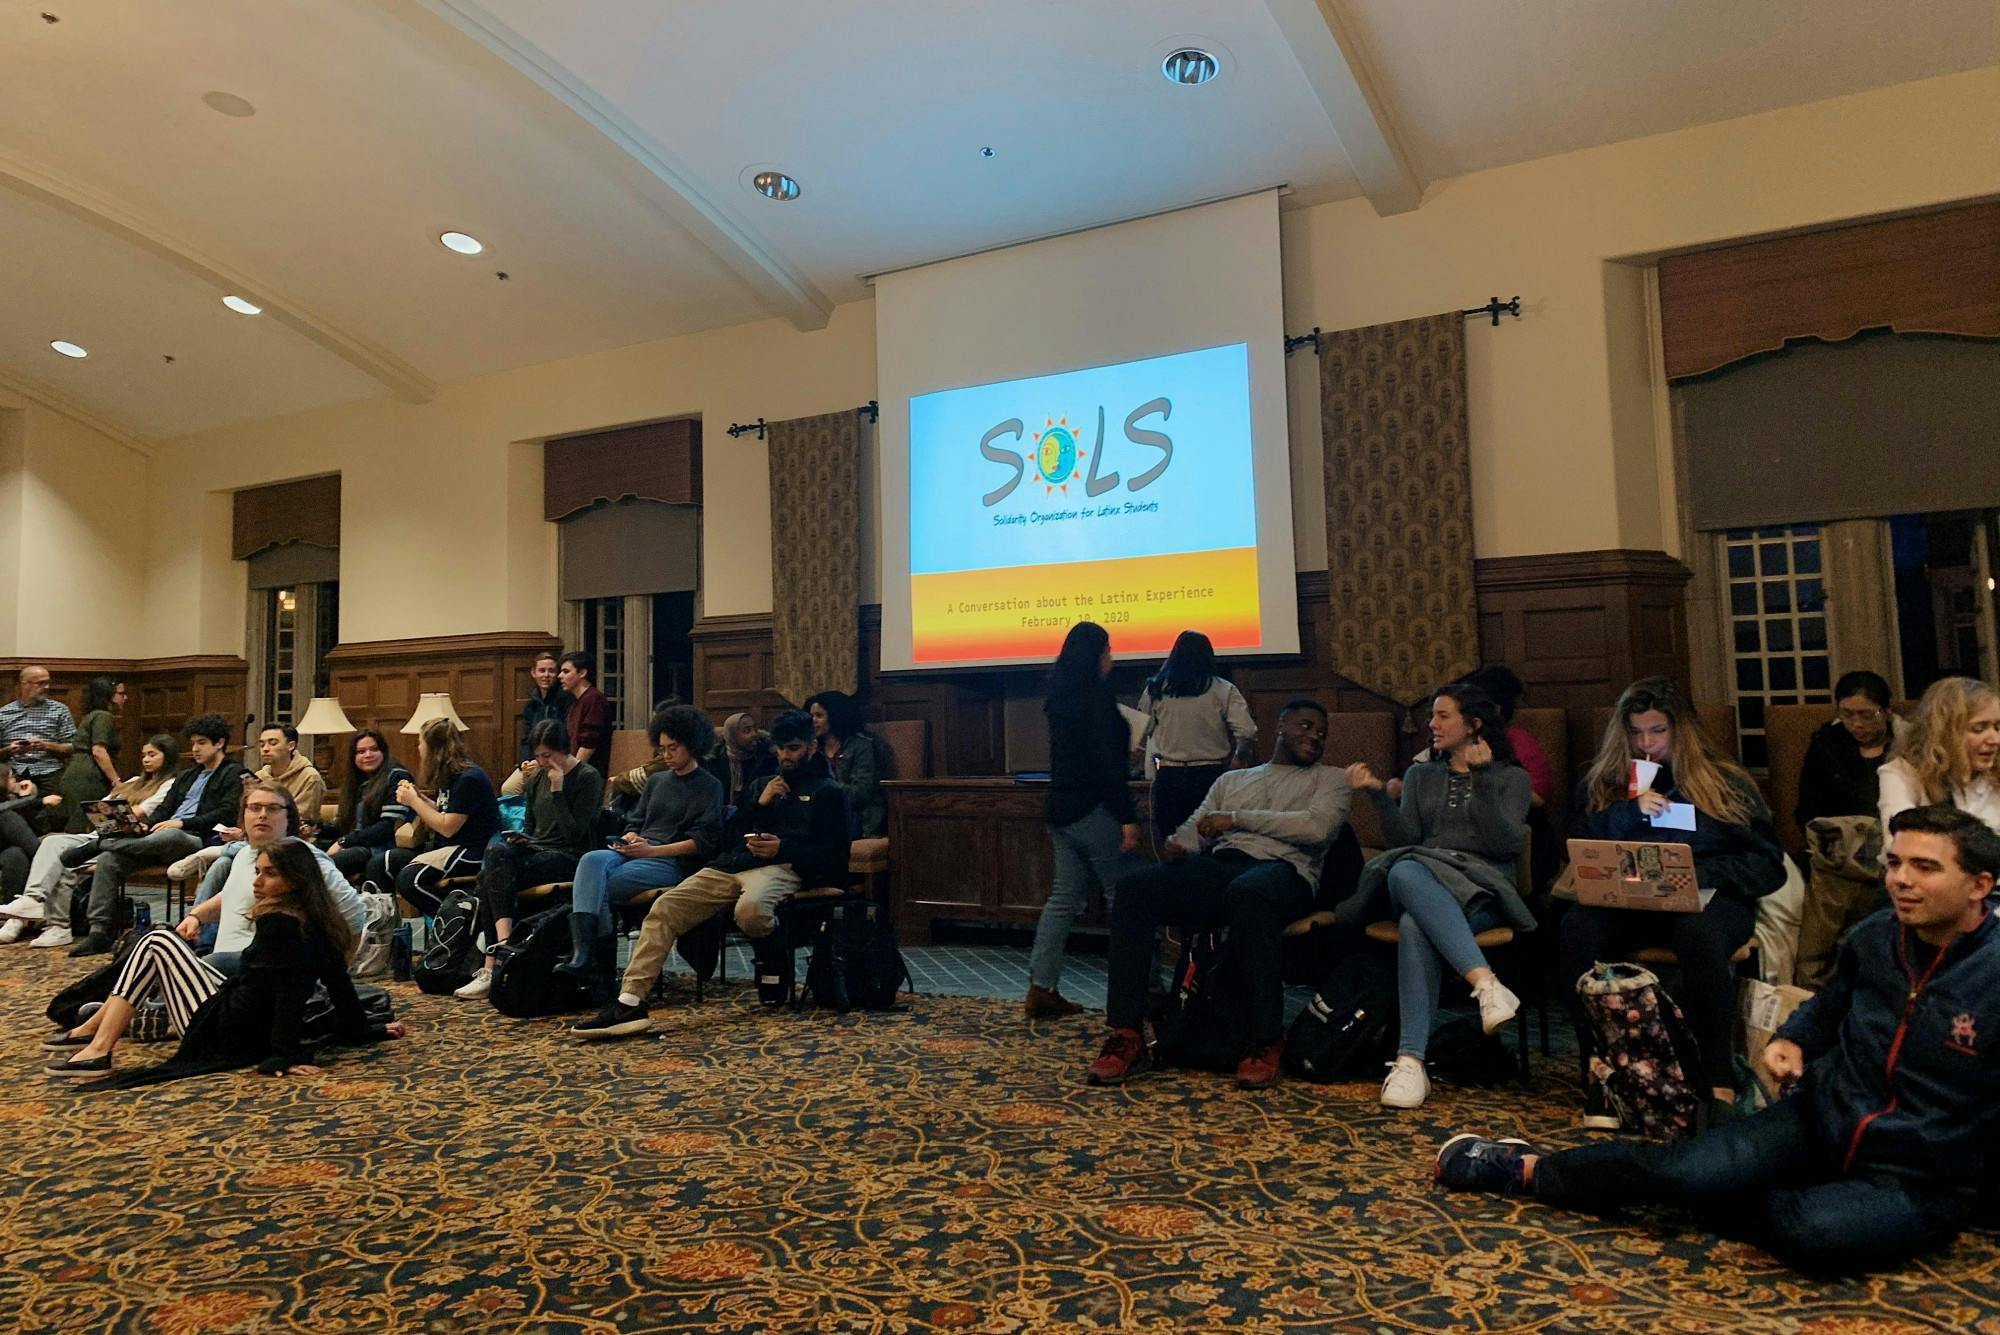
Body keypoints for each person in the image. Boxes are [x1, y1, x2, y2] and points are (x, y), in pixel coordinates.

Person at [1437, 805, 2000, 1277]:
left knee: (1816, 1234)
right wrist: (1793, 1040)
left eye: (1925, 868)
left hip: (1919, 1173)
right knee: (1680, 1171)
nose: (1901, 880)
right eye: (1895, 863)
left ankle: (1735, 1170)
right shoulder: (1877, 936)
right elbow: (1830, 1006)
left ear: (1980, 884)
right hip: (1822, 1118)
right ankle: (1531, 1169)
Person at [1085, 698, 1351, 1090]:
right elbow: (1196, 829)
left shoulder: (1332, 779)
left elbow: (1318, 828)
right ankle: (1127, 1032)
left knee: (1248, 893)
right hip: (1223, 866)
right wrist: (1180, 844)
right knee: (1134, 889)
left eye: (1322, 733)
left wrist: (1237, 819)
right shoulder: (1232, 781)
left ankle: (1264, 1039)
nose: (1315, 736)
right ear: (1280, 725)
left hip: (1284, 872)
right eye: (1306, 726)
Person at [1561, 677, 1786, 1125]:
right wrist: (1629, 812)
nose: (1646, 744)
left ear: (1679, 731)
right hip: (1629, 901)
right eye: (1636, 733)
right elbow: (1576, 845)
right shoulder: (1604, 783)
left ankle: (1717, 1078)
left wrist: (1697, 874)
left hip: (1710, 899)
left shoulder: (1723, 783)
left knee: (1697, 934)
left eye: (1657, 732)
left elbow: (1768, 865)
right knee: (1576, 929)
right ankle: (1602, 1070)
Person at [571, 709, 849, 1040]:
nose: (785, 756)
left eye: (793, 748)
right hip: (733, 864)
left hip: (784, 867)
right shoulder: (763, 782)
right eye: (781, 748)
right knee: (665, 909)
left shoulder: (829, 792)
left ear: (811, 747)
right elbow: (726, 838)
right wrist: (759, 805)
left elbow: (834, 857)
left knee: (750, 911)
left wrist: (783, 849)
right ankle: (630, 1002)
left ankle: (773, 957)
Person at [43, 839, 409, 1084]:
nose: (258, 882)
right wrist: (364, 1030)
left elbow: (289, 990)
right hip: (240, 1014)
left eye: (270, 873)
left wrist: (282, 1055)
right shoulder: (316, 919)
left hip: (232, 1030)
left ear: (295, 880)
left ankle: (98, 1044)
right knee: (159, 946)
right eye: (258, 872)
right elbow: (337, 983)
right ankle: (98, 1026)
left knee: (157, 941)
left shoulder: (280, 923)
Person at [1341, 683, 1534, 1110]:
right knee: (1407, 867)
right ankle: (1485, 984)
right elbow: (1405, 839)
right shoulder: (1421, 775)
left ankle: (1410, 1061)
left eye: (1443, 716)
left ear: (1474, 725)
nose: (1431, 724)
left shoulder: (1512, 778)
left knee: (1413, 922)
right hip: (1424, 877)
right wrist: (1378, 797)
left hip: (1481, 892)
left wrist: (1481, 780)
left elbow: (1503, 845)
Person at [1028, 622, 1142, 1021]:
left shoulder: (1059, 698)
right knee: (1128, 899)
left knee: (1063, 899)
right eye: (1108, 650)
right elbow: (1108, 769)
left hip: (1060, 808)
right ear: (1095, 655)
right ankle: (1144, 990)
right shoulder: (1097, 701)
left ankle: (1042, 988)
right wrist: (1127, 818)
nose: (1112, 657)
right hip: (1094, 810)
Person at [556, 705, 724, 976]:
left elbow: (703, 842)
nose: (666, 755)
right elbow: (636, 822)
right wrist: (631, 836)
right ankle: (584, 955)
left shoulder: (709, 785)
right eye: (662, 748)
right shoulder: (657, 781)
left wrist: (652, 852)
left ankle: (594, 961)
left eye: (673, 748)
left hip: (669, 860)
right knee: (590, 860)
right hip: (637, 850)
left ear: (692, 745)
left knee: (593, 885)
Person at [73, 713, 247, 957]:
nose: (195, 749)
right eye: (193, 743)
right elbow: (165, 808)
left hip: (195, 838)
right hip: (154, 840)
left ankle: (102, 844)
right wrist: (145, 826)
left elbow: (226, 814)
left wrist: (182, 822)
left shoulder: (234, 773)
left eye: (202, 743)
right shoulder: (188, 775)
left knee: (170, 837)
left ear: (219, 744)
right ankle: (99, 931)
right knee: (109, 861)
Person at [454, 719, 603, 1000]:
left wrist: (559, 791)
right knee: (496, 855)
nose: (542, 762)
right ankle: (504, 948)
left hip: (571, 856)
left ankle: (495, 961)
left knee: (489, 876)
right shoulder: (535, 779)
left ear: (563, 750)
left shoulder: (587, 777)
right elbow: (533, 829)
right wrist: (523, 838)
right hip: (539, 850)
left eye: (548, 755)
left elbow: (576, 833)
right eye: (538, 756)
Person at [0, 734, 177, 948]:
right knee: (52, 843)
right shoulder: (131, 782)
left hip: (128, 839)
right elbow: (97, 809)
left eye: (152, 755)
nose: (146, 759)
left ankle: (56, 925)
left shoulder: (170, 785)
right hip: (99, 833)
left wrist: (112, 814)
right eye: (143, 755)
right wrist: (111, 814)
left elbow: (140, 813)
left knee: (64, 861)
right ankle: (34, 901)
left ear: (167, 757)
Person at [178, 783, 365, 976]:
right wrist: (196, 916)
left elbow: (355, 913)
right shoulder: (244, 854)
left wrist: (335, 974)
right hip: (229, 976)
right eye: (255, 808)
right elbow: (233, 897)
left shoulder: (303, 858)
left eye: (273, 808)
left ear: (289, 818)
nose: (262, 814)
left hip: (264, 976)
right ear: (243, 815)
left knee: (187, 965)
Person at [1134, 630, 1257, 847]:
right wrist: (1239, 757)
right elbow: (1247, 731)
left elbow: (1141, 730)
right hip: (1209, 775)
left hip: (1168, 777)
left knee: (1171, 846)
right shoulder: (1223, 688)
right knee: (1209, 842)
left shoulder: (1156, 688)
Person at [375, 716, 501, 919]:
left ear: (434, 748)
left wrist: (414, 802)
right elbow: (444, 810)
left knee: (409, 880)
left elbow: (447, 826)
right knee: (382, 864)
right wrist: (419, 797)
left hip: (471, 849)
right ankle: (388, 933)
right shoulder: (449, 774)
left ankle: (458, 926)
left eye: (420, 743)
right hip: (445, 846)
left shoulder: (468, 778)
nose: (418, 748)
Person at [1877, 676, 2000, 833]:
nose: (1995, 740)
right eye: (1979, 728)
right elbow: (1898, 844)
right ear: (1944, 732)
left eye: (1997, 727)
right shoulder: (1902, 774)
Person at [1795, 670, 1901, 829]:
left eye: (1866, 715)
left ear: (1887, 711)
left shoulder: (1906, 743)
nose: (1856, 724)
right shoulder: (1826, 744)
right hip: (1839, 841)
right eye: (1847, 714)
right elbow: (1807, 807)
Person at [324, 729, 415, 889]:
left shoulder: (397, 777)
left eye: (374, 749)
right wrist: (317, 828)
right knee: (303, 856)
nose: (367, 755)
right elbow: (344, 825)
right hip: (359, 843)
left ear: (384, 751)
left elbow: (387, 827)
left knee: (323, 867)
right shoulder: (357, 782)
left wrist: (344, 842)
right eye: (361, 751)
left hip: (381, 847)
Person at [48, 675, 124, 834]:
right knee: (89, 827)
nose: (124, 697)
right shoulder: (103, 716)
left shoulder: (90, 715)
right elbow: (99, 751)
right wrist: (116, 781)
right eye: (120, 693)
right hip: (90, 777)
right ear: (108, 695)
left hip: (76, 773)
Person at [805, 690, 886, 839]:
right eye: (811, 716)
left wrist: (824, 791)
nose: (813, 721)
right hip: (821, 814)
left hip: (857, 818)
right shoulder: (812, 748)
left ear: (836, 716)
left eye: (819, 716)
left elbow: (861, 792)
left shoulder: (861, 746)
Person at [503, 652, 574, 797]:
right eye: (542, 670)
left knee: (535, 788)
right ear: (533, 673)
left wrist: (542, 760)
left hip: (555, 760)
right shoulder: (531, 706)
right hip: (533, 760)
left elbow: (566, 738)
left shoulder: (566, 700)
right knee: (509, 789)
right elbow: (526, 739)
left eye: (551, 671)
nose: (546, 675)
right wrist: (524, 762)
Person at [0, 666, 76, 796]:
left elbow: (73, 747)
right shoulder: (4, 713)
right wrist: (9, 750)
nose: (47, 687)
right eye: (41, 683)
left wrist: (45, 746)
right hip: (15, 774)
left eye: (48, 683)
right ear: (25, 684)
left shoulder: (59, 710)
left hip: (50, 772)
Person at [250, 723, 327, 828]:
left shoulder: (309, 777)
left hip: (295, 837)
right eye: (262, 744)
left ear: (291, 746)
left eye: (273, 743)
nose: (265, 749)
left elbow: (302, 819)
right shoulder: (259, 776)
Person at [560, 651, 612, 768]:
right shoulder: (575, 703)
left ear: (582, 673)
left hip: (589, 771)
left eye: (566, 671)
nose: (560, 676)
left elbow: (589, 743)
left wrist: (571, 772)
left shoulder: (594, 699)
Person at [716, 712, 776, 812]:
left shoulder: (766, 758)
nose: (754, 734)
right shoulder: (715, 760)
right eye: (747, 730)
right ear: (732, 735)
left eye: (754, 729)